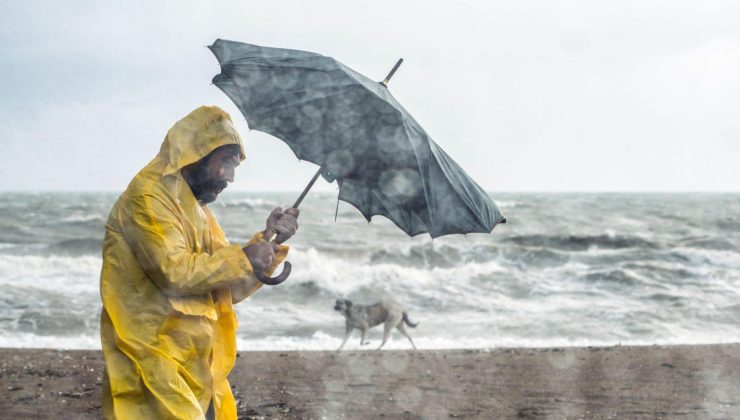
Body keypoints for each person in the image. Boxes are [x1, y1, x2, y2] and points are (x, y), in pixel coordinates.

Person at [99, 105, 298, 419]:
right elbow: (174, 274)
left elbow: (224, 289)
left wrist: (267, 244)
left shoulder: (196, 208)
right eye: (228, 164)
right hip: (152, 353)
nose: (231, 177)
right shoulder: (148, 199)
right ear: (197, 153)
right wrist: (246, 257)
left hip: (195, 360)